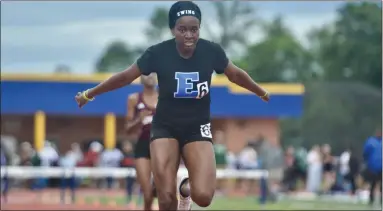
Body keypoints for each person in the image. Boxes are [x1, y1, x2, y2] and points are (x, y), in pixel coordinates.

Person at [75, 1, 269, 210]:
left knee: (203, 197)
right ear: (172, 29)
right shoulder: (157, 53)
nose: (189, 35)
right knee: (166, 199)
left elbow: (235, 74)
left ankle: (185, 189)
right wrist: (90, 94)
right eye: (182, 29)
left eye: (194, 29)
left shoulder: (211, 51)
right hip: (165, 127)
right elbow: (124, 77)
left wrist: (260, 91)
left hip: (197, 127)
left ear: (199, 29)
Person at [125, 74, 158, 210]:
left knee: (165, 193)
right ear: (141, 77)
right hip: (143, 145)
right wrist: (139, 119)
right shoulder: (133, 99)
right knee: (148, 193)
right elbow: (127, 129)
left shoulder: (165, 97)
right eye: (146, 72)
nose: (150, 76)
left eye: (153, 72)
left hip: (163, 146)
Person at [363, 129, 382, 206]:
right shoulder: (371, 142)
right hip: (373, 166)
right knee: (373, 184)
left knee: (379, 185)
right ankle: (371, 199)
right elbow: (365, 153)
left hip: (378, 166)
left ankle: (380, 200)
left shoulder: (371, 142)